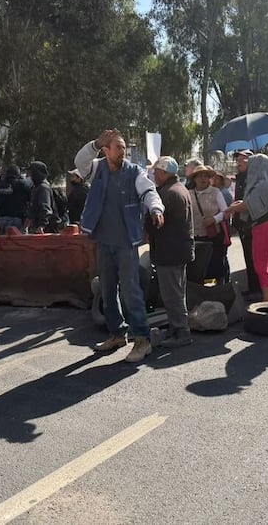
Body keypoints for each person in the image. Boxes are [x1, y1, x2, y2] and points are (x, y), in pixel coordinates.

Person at [75, 129, 165, 363]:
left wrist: (156, 208)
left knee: (131, 290)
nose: (123, 151)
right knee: (107, 289)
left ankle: (142, 339)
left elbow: (149, 191)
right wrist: (95, 142)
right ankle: (117, 333)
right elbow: (79, 162)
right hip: (104, 242)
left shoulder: (134, 172)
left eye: (124, 147)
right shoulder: (97, 168)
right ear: (106, 150)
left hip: (126, 243)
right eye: (118, 147)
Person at [225, 153, 268, 302]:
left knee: (261, 267)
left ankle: (267, 303)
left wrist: (232, 208)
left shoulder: (261, 184)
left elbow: (248, 204)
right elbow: (250, 201)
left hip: (262, 227)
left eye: (251, 163)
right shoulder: (267, 182)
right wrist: (237, 205)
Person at [147, 156, 195, 348]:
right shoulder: (179, 189)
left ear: (164, 172)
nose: (154, 175)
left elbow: (155, 224)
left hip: (169, 251)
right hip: (178, 250)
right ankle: (177, 328)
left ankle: (181, 331)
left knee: (172, 294)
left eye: (157, 172)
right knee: (177, 292)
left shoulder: (167, 193)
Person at [187, 165, 229, 283]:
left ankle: (219, 291)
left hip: (212, 237)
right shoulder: (188, 194)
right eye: (200, 176)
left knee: (216, 267)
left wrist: (214, 219)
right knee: (196, 269)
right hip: (194, 237)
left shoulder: (216, 192)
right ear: (194, 179)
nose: (203, 179)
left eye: (205, 176)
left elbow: (226, 212)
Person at [231, 149, 260, 299]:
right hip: (242, 224)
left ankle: (259, 289)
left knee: (256, 258)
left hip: (253, 223)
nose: (238, 163)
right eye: (238, 160)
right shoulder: (240, 178)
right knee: (248, 257)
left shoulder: (255, 179)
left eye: (242, 160)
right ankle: (252, 286)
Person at [0, 165, 33, 235]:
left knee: (4, 243)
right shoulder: (23, 185)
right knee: (20, 243)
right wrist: (29, 217)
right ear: (18, 174)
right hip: (20, 219)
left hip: (3, 219)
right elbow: (31, 203)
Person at [27, 161, 55, 233]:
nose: (29, 176)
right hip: (37, 226)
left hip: (46, 229)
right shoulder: (36, 187)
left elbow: (45, 208)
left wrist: (42, 225)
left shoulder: (43, 188)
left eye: (31, 173)